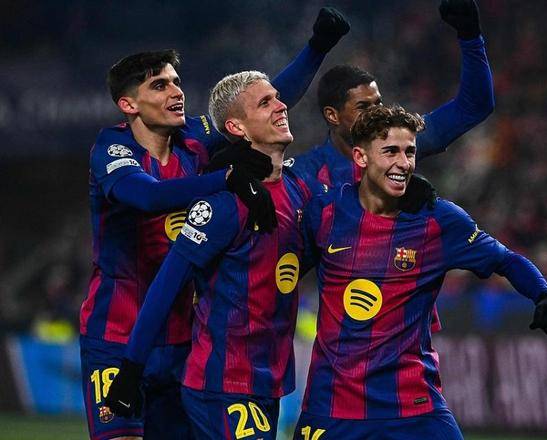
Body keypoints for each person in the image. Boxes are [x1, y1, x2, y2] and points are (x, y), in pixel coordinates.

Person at [80, 9, 350, 440]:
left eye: (176, 81)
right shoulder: (112, 149)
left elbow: (257, 106)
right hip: (116, 333)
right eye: (159, 85)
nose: (176, 91)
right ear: (128, 105)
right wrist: (227, 178)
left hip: (184, 339)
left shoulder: (194, 138)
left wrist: (317, 46)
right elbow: (148, 197)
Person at [294, 105, 547, 439]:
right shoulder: (324, 212)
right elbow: (283, 261)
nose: (404, 163)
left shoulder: (438, 220)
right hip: (333, 406)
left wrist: (543, 295)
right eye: (390, 151)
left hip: (413, 405)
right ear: (361, 157)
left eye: (409, 152)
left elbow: (505, 260)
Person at [105, 71, 323, 439]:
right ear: (237, 127)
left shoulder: (298, 191)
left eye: (277, 97)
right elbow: (166, 286)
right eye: (265, 102)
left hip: (267, 383)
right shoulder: (223, 204)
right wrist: (131, 369)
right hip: (222, 383)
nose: (281, 105)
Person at [291, 0, 493, 202]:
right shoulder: (305, 174)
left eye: (377, 103)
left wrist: (471, 39)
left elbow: (475, 106)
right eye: (363, 107)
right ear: (332, 115)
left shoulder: (402, 141)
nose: (375, 113)